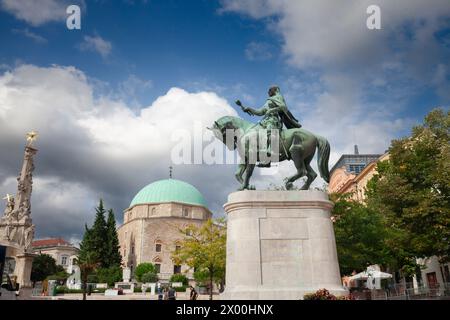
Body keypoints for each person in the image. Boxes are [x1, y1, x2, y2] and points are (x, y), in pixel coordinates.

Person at [236, 86, 301, 167]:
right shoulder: (268, 101)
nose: (268, 92)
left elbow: (283, 107)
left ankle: (270, 153)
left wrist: (272, 110)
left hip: (273, 121)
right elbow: (260, 112)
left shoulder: (278, 96)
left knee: (268, 130)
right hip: (265, 121)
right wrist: (249, 108)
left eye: (270, 90)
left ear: (276, 90)